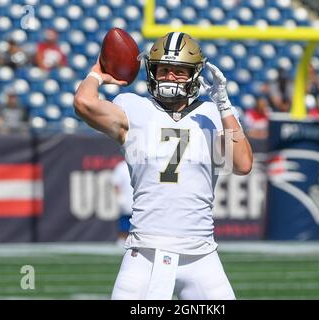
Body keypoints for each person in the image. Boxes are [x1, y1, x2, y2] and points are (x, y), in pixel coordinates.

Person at [74, 32, 253, 300]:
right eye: (164, 69)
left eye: (179, 71)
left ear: (194, 74)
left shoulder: (213, 113)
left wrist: (225, 106)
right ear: (151, 71)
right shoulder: (133, 107)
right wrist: (97, 73)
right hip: (144, 252)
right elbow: (83, 103)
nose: (170, 77)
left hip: (201, 254)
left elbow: (243, 164)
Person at [111, 159, 134, 245]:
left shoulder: (142, 164)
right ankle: (121, 243)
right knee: (124, 227)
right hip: (127, 203)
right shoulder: (121, 166)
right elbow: (116, 184)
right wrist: (119, 197)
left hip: (140, 203)